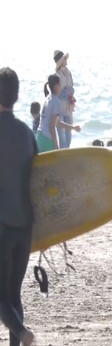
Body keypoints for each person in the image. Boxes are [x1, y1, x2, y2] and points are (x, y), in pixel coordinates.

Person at [0, 67, 37, 346]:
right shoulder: (27, 133)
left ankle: (23, 334)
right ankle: (18, 338)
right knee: (13, 295)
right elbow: (40, 181)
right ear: (17, 96)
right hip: (25, 227)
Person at [36, 74, 81, 153]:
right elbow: (52, 127)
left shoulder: (48, 98)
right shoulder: (56, 102)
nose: (61, 87)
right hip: (47, 140)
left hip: (40, 137)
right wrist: (56, 146)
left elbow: (57, 123)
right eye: (60, 85)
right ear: (56, 87)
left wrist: (73, 128)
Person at [53, 50, 76, 149]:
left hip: (68, 106)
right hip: (59, 107)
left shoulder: (68, 72)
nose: (66, 60)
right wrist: (67, 92)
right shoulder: (56, 75)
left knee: (69, 134)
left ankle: (67, 153)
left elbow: (72, 87)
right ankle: (62, 155)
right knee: (62, 137)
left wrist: (68, 92)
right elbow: (57, 92)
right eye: (64, 59)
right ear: (60, 61)